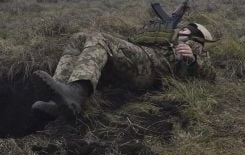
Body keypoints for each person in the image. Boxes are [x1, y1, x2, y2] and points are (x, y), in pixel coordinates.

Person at [31, 23, 215, 119]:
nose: (181, 29)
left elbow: (211, 74)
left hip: (149, 67)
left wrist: (193, 59)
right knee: (79, 38)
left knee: (100, 38)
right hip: (139, 58)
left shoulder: (195, 45)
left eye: (186, 29)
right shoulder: (168, 36)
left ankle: (78, 91)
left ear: (196, 35)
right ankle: (60, 97)